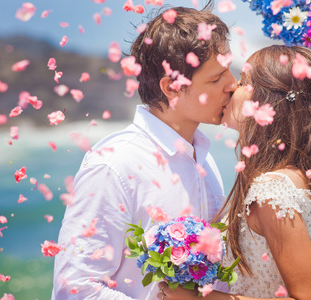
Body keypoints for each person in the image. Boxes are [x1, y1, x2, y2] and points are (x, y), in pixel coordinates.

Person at [157, 45, 311, 300]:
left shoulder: (271, 189)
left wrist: (200, 298)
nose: (231, 87)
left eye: (243, 82)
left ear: (267, 101)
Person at [52, 5, 237, 299]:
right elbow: (74, 289)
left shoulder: (204, 157)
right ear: (173, 87)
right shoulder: (114, 165)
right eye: (216, 78)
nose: (232, 84)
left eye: (229, 71)